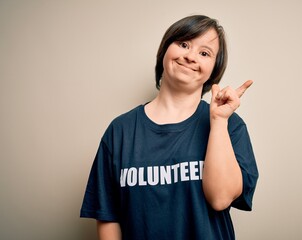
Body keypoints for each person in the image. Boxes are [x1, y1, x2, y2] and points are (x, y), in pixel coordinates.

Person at [80, 14, 258, 240]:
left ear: (213, 70)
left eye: (204, 53)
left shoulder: (230, 125)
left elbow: (220, 198)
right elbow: (107, 216)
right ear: (165, 50)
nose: (191, 56)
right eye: (184, 44)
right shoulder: (120, 131)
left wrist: (219, 122)